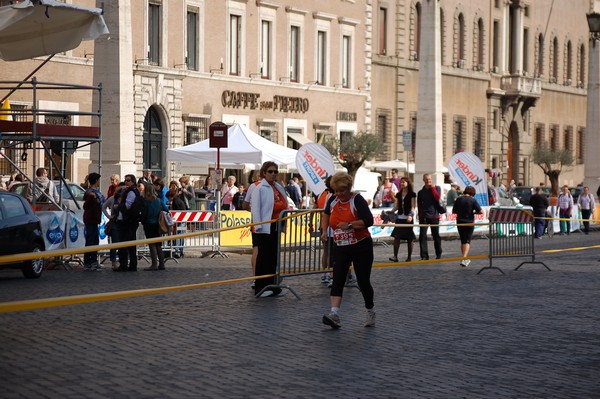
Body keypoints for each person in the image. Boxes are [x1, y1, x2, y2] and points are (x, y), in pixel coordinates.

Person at [321, 172, 375, 329]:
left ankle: (370, 309)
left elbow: (369, 220)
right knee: (338, 278)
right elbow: (325, 214)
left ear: (349, 188)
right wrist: (324, 231)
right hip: (341, 246)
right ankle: (334, 314)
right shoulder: (333, 200)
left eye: (342, 191)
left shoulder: (357, 200)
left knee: (363, 281)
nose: (339, 194)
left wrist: (350, 225)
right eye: (336, 191)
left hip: (361, 245)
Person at [250, 162, 287, 297]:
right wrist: (258, 226)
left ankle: (272, 285)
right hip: (265, 227)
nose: (273, 174)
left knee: (273, 257)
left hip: (276, 226)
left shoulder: (278, 187)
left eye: (275, 172)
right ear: (264, 173)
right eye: (270, 171)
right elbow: (255, 208)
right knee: (263, 257)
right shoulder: (260, 188)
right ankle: (262, 287)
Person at [115, 174, 141, 272]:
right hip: (130, 221)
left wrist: (119, 206)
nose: (126, 182)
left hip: (128, 221)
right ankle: (131, 264)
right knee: (130, 244)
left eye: (128, 180)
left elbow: (127, 206)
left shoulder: (131, 192)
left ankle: (125, 265)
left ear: (133, 182)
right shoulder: (131, 191)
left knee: (125, 244)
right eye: (125, 180)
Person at [452, 186, 483, 267]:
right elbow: (481, 211)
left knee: (463, 241)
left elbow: (454, 211)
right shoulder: (472, 200)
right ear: (473, 193)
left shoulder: (458, 199)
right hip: (469, 222)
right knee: (467, 241)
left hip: (459, 222)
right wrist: (473, 213)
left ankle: (464, 259)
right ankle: (464, 258)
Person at [140, 184, 168, 271]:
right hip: (157, 224)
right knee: (158, 245)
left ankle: (154, 264)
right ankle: (162, 264)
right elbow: (166, 209)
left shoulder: (145, 201)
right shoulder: (158, 200)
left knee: (152, 244)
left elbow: (143, 213)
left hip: (148, 224)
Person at [389, 176, 417, 262]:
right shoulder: (398, 194)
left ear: (408, 183)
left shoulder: (412, 194)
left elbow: (413, 207)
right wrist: (390, 212)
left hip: (408, 218)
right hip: (400, 218)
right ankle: (395, 256)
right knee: (397, 237)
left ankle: (409, 257)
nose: (402, 183)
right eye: (401, 182)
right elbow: (397, 206)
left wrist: (410, 215)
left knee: (409, 238)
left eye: (404, 182)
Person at [417, 173, 443, 260]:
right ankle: (424, 256)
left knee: (436, 236)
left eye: (430, 179)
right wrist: (419, 216)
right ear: (423, 180)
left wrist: (432, 188)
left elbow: (437, 198)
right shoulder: (420, 192)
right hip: (424, 216)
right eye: (427, 179)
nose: (429, 181)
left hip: (434, 216)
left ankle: (438, 254)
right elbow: (419, 205)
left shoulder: (437, 188)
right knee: (422, 237)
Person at [82, 173, 105, 271]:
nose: (99, 182)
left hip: (95, 219)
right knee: (91, 240)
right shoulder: (90, 192)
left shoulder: (96, 192)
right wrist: (92, 198)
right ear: (96, 181)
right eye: (98, 180)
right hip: (90, 219)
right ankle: (89, 262)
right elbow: (86, 206)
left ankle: (93, 261)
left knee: (94, 240)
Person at [317, 175, 335, 286]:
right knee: (331, 253)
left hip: (328, 228)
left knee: (327, 252)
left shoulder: (324, 195)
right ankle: (329, 274)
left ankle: (326, 274)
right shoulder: (330, 196)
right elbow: (326, 213)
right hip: (330, 229)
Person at [102, 184, 125, 270]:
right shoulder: (112, 199)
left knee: (122, 242)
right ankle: (113, 261)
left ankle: (122, 260)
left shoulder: (125, 199)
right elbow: (103, 207)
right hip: (115, 222)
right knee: (115, 243)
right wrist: (109, 216)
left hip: (123, 223)